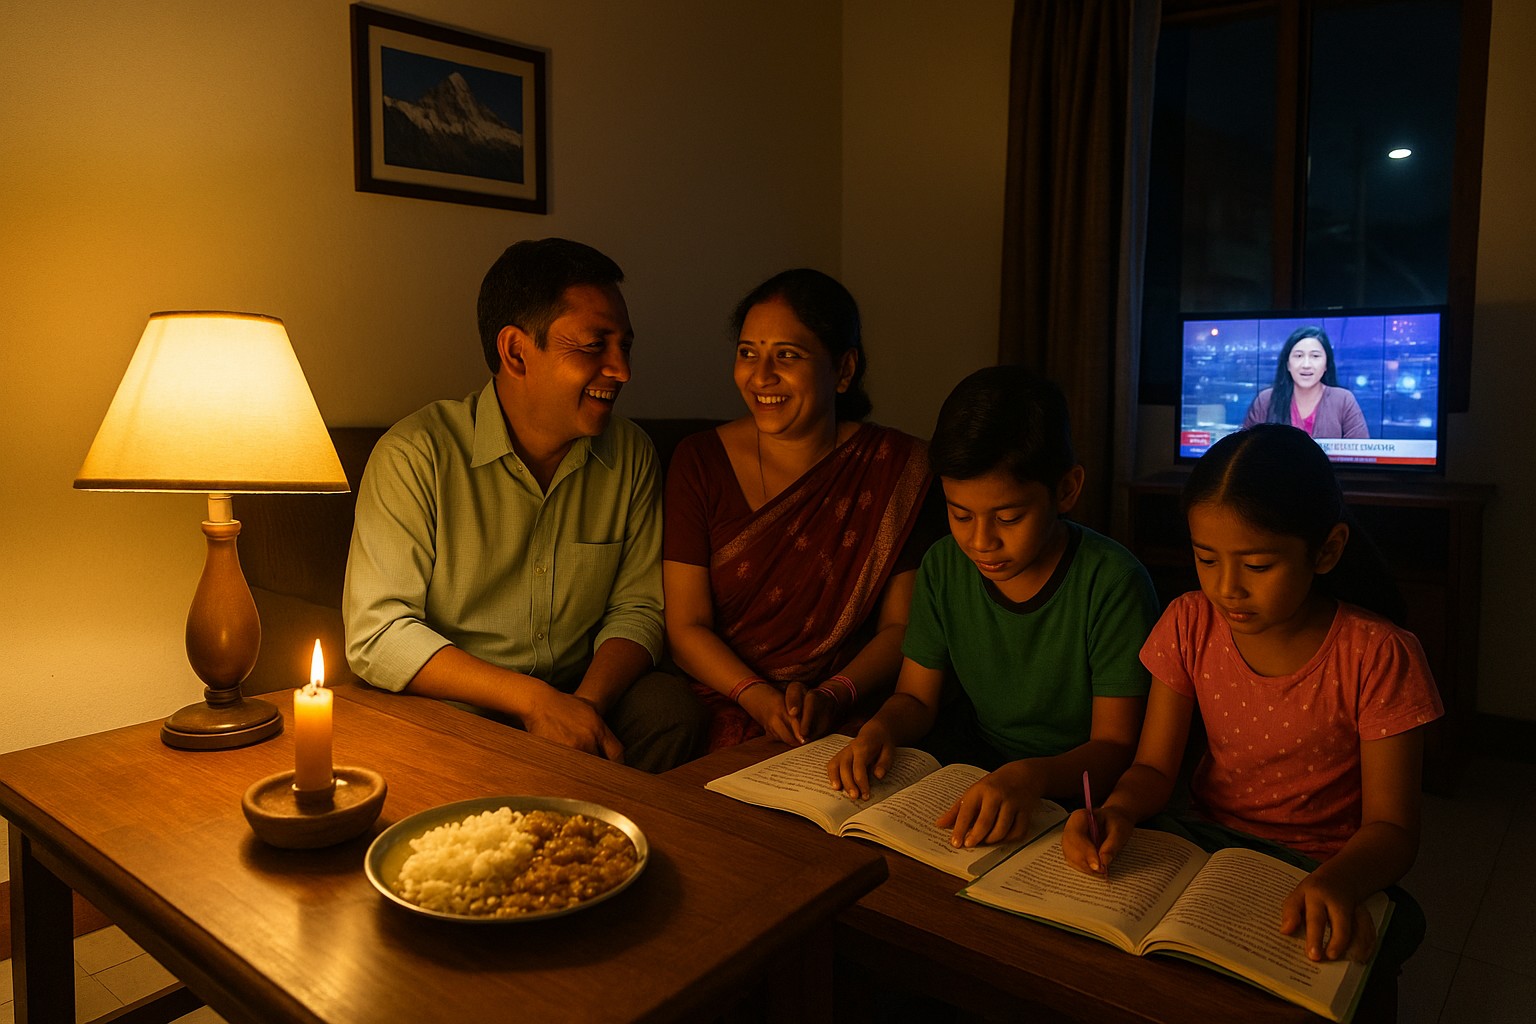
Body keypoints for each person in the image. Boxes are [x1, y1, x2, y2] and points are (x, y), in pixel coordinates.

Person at [1062, 423, 1442, 972]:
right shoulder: (1189, 622)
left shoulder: (1378, 655)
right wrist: (1117, 810)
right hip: (1206, 850)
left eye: (1258, 565)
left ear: (1328, 549)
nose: (1227, 589)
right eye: (1207, 559)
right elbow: (1152, 767)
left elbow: (1394, 829)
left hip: (1322, 867)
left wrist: (1337, 879)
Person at [344, 238, 705, 772]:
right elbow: (378, 632)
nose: (622, 369)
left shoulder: (630, 454)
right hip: (461, 706)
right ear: (515, 352)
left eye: (625, 345)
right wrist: (532, 702)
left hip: (584, 692)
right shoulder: (417, 455)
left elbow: (640, 607)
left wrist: (581, 708)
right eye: (594, 345)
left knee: (671, 710)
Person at [827, 365, 1159, 849]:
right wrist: (880, 728)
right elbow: (917, 699)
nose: (980, 541)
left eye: (1008, 516)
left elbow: (1115, 746)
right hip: (978, 775)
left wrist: (1032, 777)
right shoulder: (944, 565)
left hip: (1079, 797)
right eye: (959, 514)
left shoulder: (1112, 583)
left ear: (1066, 489)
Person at [663, 269, 937, 752]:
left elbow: (903, 628)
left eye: (786, 355)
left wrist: (833, 695)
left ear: (845, 370)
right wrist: (758, 698)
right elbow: (686, 626)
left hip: (847, 707)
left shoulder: (898, 470)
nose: (761, 376)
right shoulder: (699, 460)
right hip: (724, 700)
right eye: (748, 353)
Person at [1241, 325, 1369, 438]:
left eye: (1315, 356)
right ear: (1287, 364)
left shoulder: (1343, 400)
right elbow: (1244, 450)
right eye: (1298, 356)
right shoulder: (1266, 400)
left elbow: (1361, 455)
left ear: (1326, 365)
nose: (1306, 364)